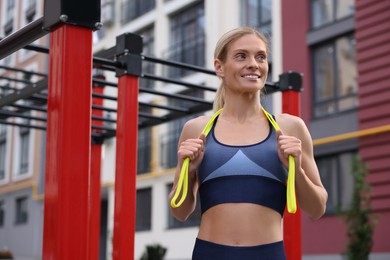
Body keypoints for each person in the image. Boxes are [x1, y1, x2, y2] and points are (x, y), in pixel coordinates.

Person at [168, 27, 328, 260]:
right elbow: (179, 212)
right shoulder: (196, 130)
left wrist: (296, 171)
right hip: (209, 253)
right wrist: (188, 169)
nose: (254, 64)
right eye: (241, 56)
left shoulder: (290, 128)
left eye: (260, 57)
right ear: (219, 67)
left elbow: (317, 208)